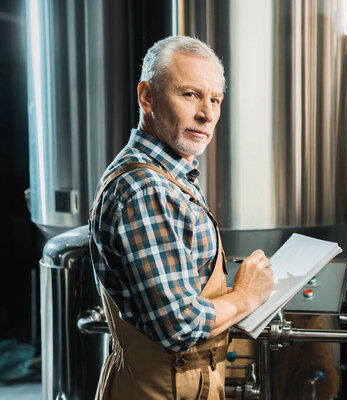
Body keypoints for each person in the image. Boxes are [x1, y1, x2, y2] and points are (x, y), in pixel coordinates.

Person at [89, 35, 274, 400]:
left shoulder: (172, 175)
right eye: (190, 94)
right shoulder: (145, 188)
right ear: (147, 97)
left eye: (215, 99)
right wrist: (244, 296)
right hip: (158, 390)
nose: (206, 113)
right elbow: (179, 325)